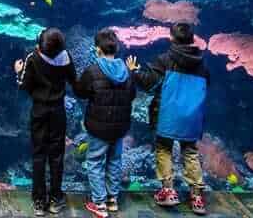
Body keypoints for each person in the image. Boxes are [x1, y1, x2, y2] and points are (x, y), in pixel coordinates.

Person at [126, 22, 210, 215]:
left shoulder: (165, 59)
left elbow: (151, 85)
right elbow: (205, 86)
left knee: (163, 149)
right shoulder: (201, 63)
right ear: (192, 39)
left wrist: (135, 71)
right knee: (190, 152)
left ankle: (168, 191)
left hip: (167, 114)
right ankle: (197, 196)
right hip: (192, 116)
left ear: (171, 38)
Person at [73, 28, 137, 218]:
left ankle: (99, 204)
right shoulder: (126, 71)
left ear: (97, 49)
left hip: (98, 127)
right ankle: (112, 200)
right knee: (115, 161)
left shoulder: (93, 71)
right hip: (119, 127)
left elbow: (80, 92)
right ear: (115, 49)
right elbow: (131, 95)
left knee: (95, 162)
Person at [14, 28, 77, 216]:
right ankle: (55, 199)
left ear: (40, 46)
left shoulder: (32, 58)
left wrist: (18, 72)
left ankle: (39, 201)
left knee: (39, 154)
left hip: (40, 112)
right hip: (58, 111)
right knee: (57, 155)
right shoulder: (66, 57)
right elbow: (73, 79)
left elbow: (24, 85)